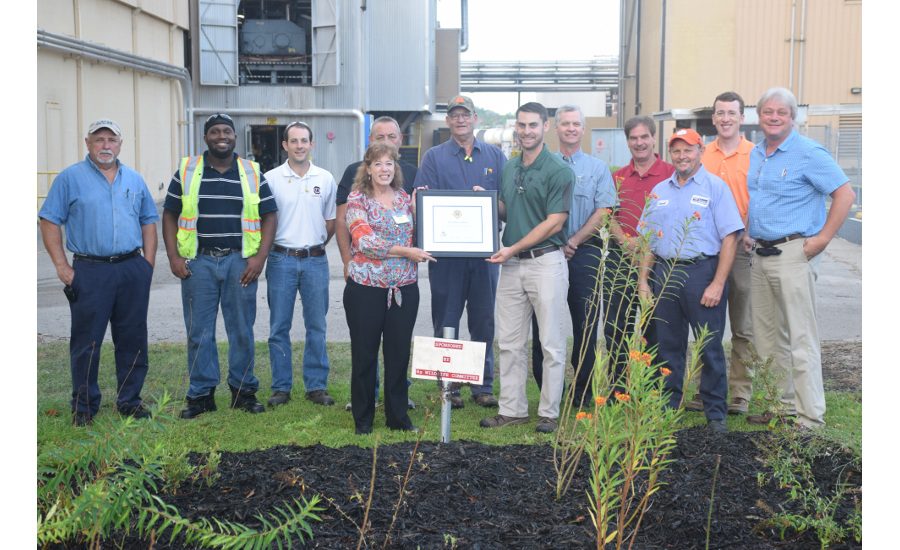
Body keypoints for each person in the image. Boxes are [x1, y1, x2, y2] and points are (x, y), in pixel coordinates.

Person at [745, 87, 855, 429]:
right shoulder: (757, 153)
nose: (774, 117)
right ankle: (782, 406)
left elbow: (845, 194)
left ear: (793, 117)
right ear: (759, 116)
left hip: (794, 252)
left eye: (782, 112)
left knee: (800, 336)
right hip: (760, 253)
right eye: (768, 111)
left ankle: (810, 416)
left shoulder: (809, 153)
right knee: (767, 337)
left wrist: (822, 239)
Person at [39, 119, 158, 426]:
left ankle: (130, 400)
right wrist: (62, 266)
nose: (106, 145)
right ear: (88, 143)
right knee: (87, 342)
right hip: (90, 270)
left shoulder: (134, 179)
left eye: (111, 140)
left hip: (131, 268)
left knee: (133, 337)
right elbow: (49, 220)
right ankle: (84, 406)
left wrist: (147, 265)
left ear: (120, 144)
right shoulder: (70, 178)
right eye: (99, 139)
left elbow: (148, 220)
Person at [162, 113, 278, 419]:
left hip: (240, 262)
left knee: (241, 330)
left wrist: (259, 258)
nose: (221, 136)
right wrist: (173, 256)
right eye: (215, 132)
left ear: (235, 137)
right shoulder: (187, 171)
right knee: (198, 332)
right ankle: (201, 395)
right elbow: (170, 213)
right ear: (206, 137)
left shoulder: (252, 172)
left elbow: (269, 215)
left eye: (227, 131)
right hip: (198, 262)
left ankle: (243, 392)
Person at [637, 128, 744, 434]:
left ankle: (715, 412)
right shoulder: (660, 190)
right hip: (665, 273)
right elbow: (648, 240)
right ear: (670, 154)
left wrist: (718, 283)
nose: (682, 156)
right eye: (676, 151)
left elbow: (730, 238)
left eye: (688, 150)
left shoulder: (716, 188)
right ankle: (668, 406)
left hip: (702, 272)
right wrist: (643, 281)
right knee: (666, 345)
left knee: (709, 346)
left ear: (700, 151)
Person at [480, 102, 574, 434]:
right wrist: (485, 203)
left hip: (545, 262)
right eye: (521, 125)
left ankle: (549, 412)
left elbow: (554, 222)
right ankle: (512, 409)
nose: (526, 131)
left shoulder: (559, 170)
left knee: (550, 343)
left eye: (533, 125)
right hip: (511, 264)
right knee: (509, 341)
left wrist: (513, 248)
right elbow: (510, 209)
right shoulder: (510, 168)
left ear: (545, 127)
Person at [413, 94, 506, 409]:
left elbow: (507, 204)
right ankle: (449, 385)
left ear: (475, 118)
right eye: (454, 115)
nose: (460, 119)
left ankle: (482, 386)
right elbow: (422, 200)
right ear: (448, 120)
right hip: (446, 257)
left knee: (483, 320)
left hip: (485, 257)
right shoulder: (434, 158)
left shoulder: (495, 156)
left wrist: (490, 200)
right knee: (446, 318)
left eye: (465, 114)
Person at [343, 142, 434, 434]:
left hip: (404, 289)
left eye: (389, 163)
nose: (385, 169)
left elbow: (422, 232)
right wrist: (406, 252)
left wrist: (423, 209)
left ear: (396, 168)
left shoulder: (405, 198)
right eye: (378, 164)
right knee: (365, 355)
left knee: (398, 355)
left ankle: (398, 418)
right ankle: (363, 420)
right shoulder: (357, 200)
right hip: (366, 290)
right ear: (368, 169)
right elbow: (364, 242)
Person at [530, 104, 616, 407]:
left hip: (585, 253)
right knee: (543, 326)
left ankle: (581, 393)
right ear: (555, 128)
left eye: (575, 124)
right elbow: (533, 210)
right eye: (565, 123)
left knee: (586, 327)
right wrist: (556, 241)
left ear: (583, 128)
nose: (570, 128)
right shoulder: (541, 166)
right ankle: (549, 391)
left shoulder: (597, 168)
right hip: (546, 252)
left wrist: (575, 241)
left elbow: (604, 210)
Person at [682, 92, 756, 415]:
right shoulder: (702, 154)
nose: (725, 119)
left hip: (741, 248)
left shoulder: (755, 155)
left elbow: (761, 198)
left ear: (742, 118)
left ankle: (740, 392)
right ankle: (704, 389)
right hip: (707, 251)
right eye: (720, 113)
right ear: (713, 118)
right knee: (705, 324)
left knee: (743, 325)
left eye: (731, 113)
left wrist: (751, 230)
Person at [264, 121, 337, 407]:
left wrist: (313, 243)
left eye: (304, 140)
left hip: (315, 261)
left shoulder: (325, 178)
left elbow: (330, 221)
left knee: (316, 326)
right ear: (285, 145)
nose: (299, 146)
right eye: (293, 141)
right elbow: (263, 220)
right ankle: (281, 387)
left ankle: (316, 386)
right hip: (280, 259)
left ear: (311, 144)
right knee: (279, 326)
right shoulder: (271, 179)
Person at [605, 117, 674, 391]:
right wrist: (624, 240)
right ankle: (618, 387)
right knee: (616, 326)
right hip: (621, 259)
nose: (639, 143)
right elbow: (608, 214)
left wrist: (646, 246)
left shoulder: (670, 174)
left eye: (644, 137)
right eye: (633, 138)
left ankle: (651, 389)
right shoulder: (618, 177)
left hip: (658, 262)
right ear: (627, 142)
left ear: (653, 138)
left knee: (655, 327)